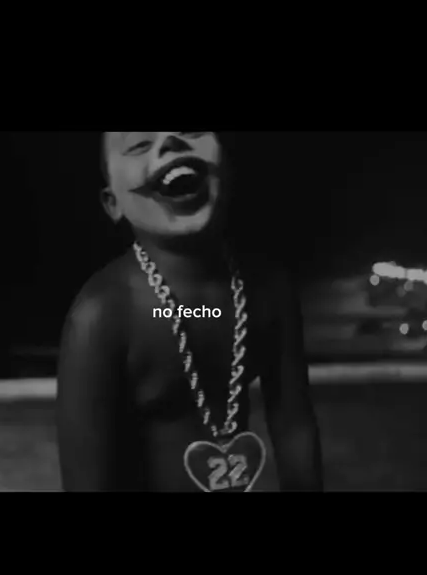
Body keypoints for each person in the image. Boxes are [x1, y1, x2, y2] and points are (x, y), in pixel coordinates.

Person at [57, 132, 323, 492]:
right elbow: (87, 479)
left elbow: (294, 425)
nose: (169, 141)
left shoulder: (269, 289)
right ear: (112, 203)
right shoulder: (101, 315)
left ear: (226, 164)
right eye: (138, 145)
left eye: (192, 131)